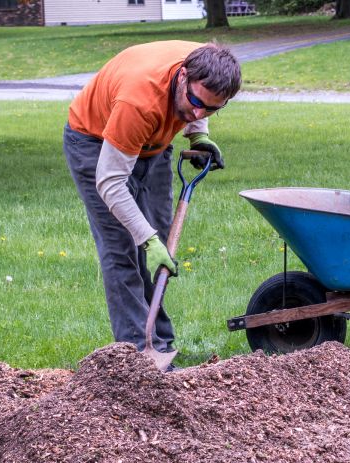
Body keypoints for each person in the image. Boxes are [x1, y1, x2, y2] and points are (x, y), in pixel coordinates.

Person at [63, 41, 241, 365]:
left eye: (212, 108)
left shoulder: (207, 64)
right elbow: (110, 182)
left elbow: (199, 106)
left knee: (157, 235)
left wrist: (197, 134)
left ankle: (159, 340)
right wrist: (145, 239)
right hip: (95, 143)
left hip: (153, 146)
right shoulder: (140, 99)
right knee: (123, 249)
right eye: (196, 102)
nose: (198, 112)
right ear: (183, 74)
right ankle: (139, 356)